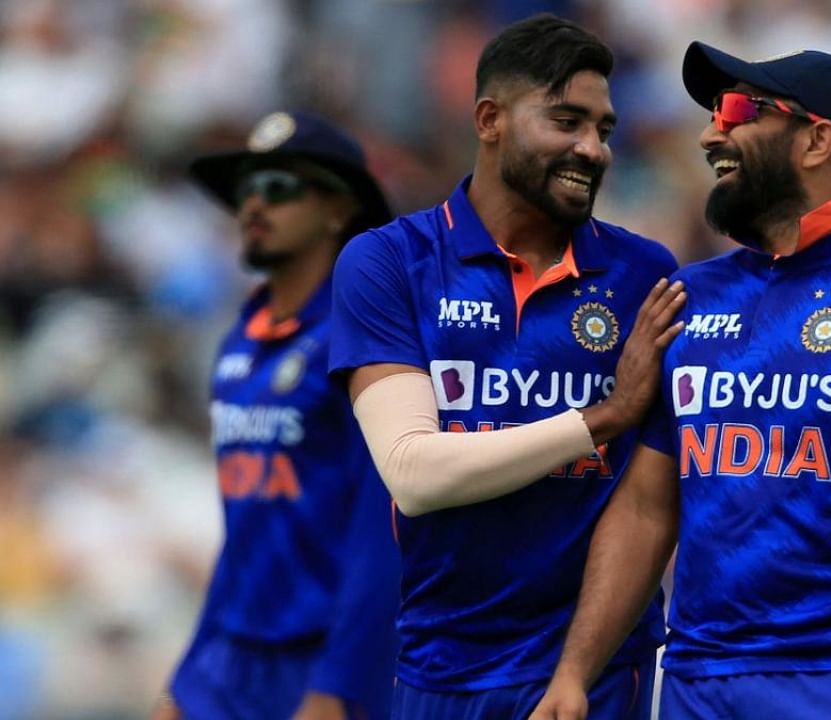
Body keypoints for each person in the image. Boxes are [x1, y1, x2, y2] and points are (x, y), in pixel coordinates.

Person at [532, 42, 831, 720]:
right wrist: (574, 674)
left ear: (818, 139)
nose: (710, 133)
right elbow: (646, 508)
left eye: (737, 111)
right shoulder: (689, 295)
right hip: (698, 682)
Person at [326, 14, 685, 720]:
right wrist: (602, 418)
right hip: (438, 660)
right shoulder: (388, 262)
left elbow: (649, 501)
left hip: (593, 671)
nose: (593, 149)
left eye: (604, 130)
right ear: (490, 119)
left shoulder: (646, 275)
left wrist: (580, 668)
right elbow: (413, 473)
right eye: (566, 121)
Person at [154, 111, 400, 720]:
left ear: (338, 210)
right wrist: (186, 677)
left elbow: (382, 531)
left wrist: (337, 686)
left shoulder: (362, 341)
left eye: (281, 187)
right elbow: (243, 534)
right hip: (228, 661)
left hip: (318, 660)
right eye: (246, 190)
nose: (253, 205)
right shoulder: (239, 342)